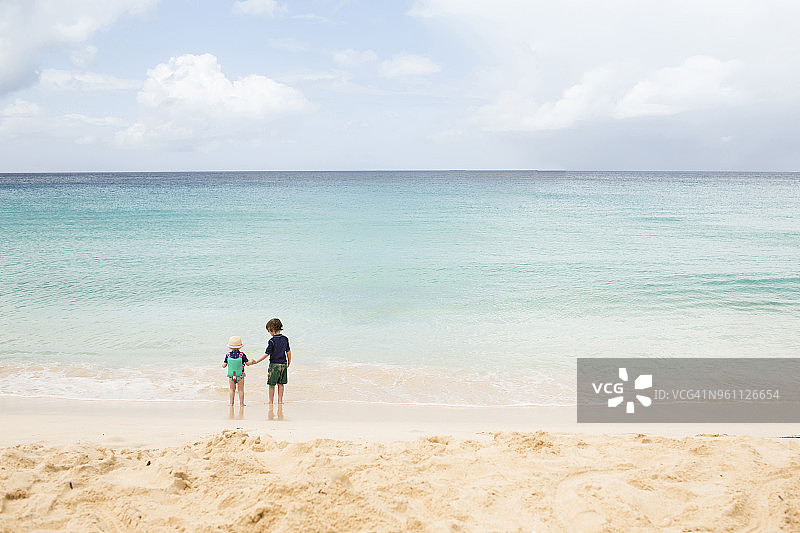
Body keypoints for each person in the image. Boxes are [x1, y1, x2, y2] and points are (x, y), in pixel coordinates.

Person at [252, 318, 291, 406]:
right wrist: (289, 362)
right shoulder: (285, 339)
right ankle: (280, 401)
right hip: (283, 364)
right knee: (281, 384)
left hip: (274, 365)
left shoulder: (272, 341)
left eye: (269, 331)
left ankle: (271, 401)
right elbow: (288, 351)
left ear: (272, 330)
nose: (269, 333)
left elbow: (267, 354)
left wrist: (256, 361)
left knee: (271, 384)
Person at [222, 336, 250, 406]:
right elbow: (247, 363)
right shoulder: (242, 355)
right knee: (240, 390)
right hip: (240, 375)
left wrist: (223, 364)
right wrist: (252, 361)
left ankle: (231, 403)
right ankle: (241, 403)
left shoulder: (228, 355)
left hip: (231, 375)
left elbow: (224, 365)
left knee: (232, 389)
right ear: (240, 346)